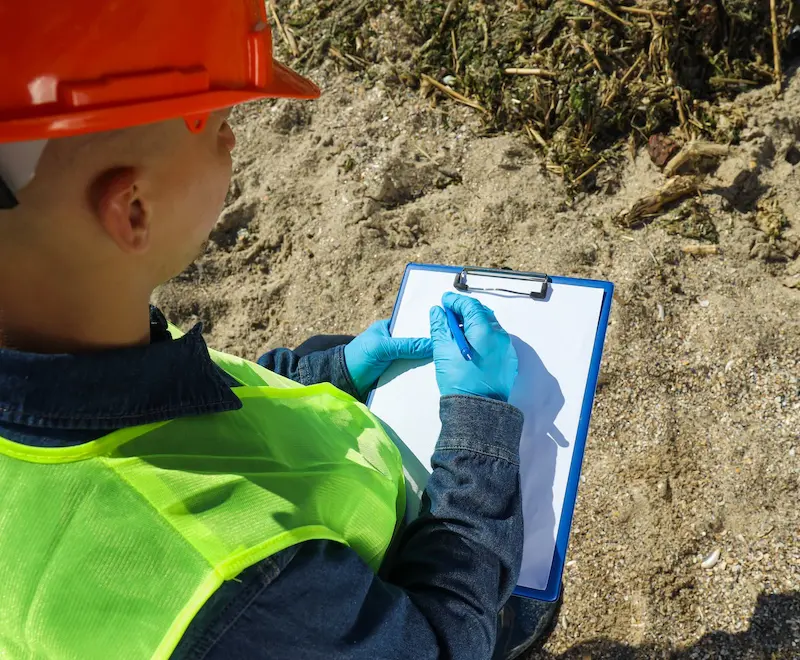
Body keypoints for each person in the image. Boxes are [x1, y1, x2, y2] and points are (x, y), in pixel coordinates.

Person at [0, 3, 556, 659]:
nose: (233, 141)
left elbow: (194, 423)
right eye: (218, 124)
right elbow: (434, 644)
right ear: (134, 209)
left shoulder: (72, 323)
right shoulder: (215, 572)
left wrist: (335, 373)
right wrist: (480, 429)